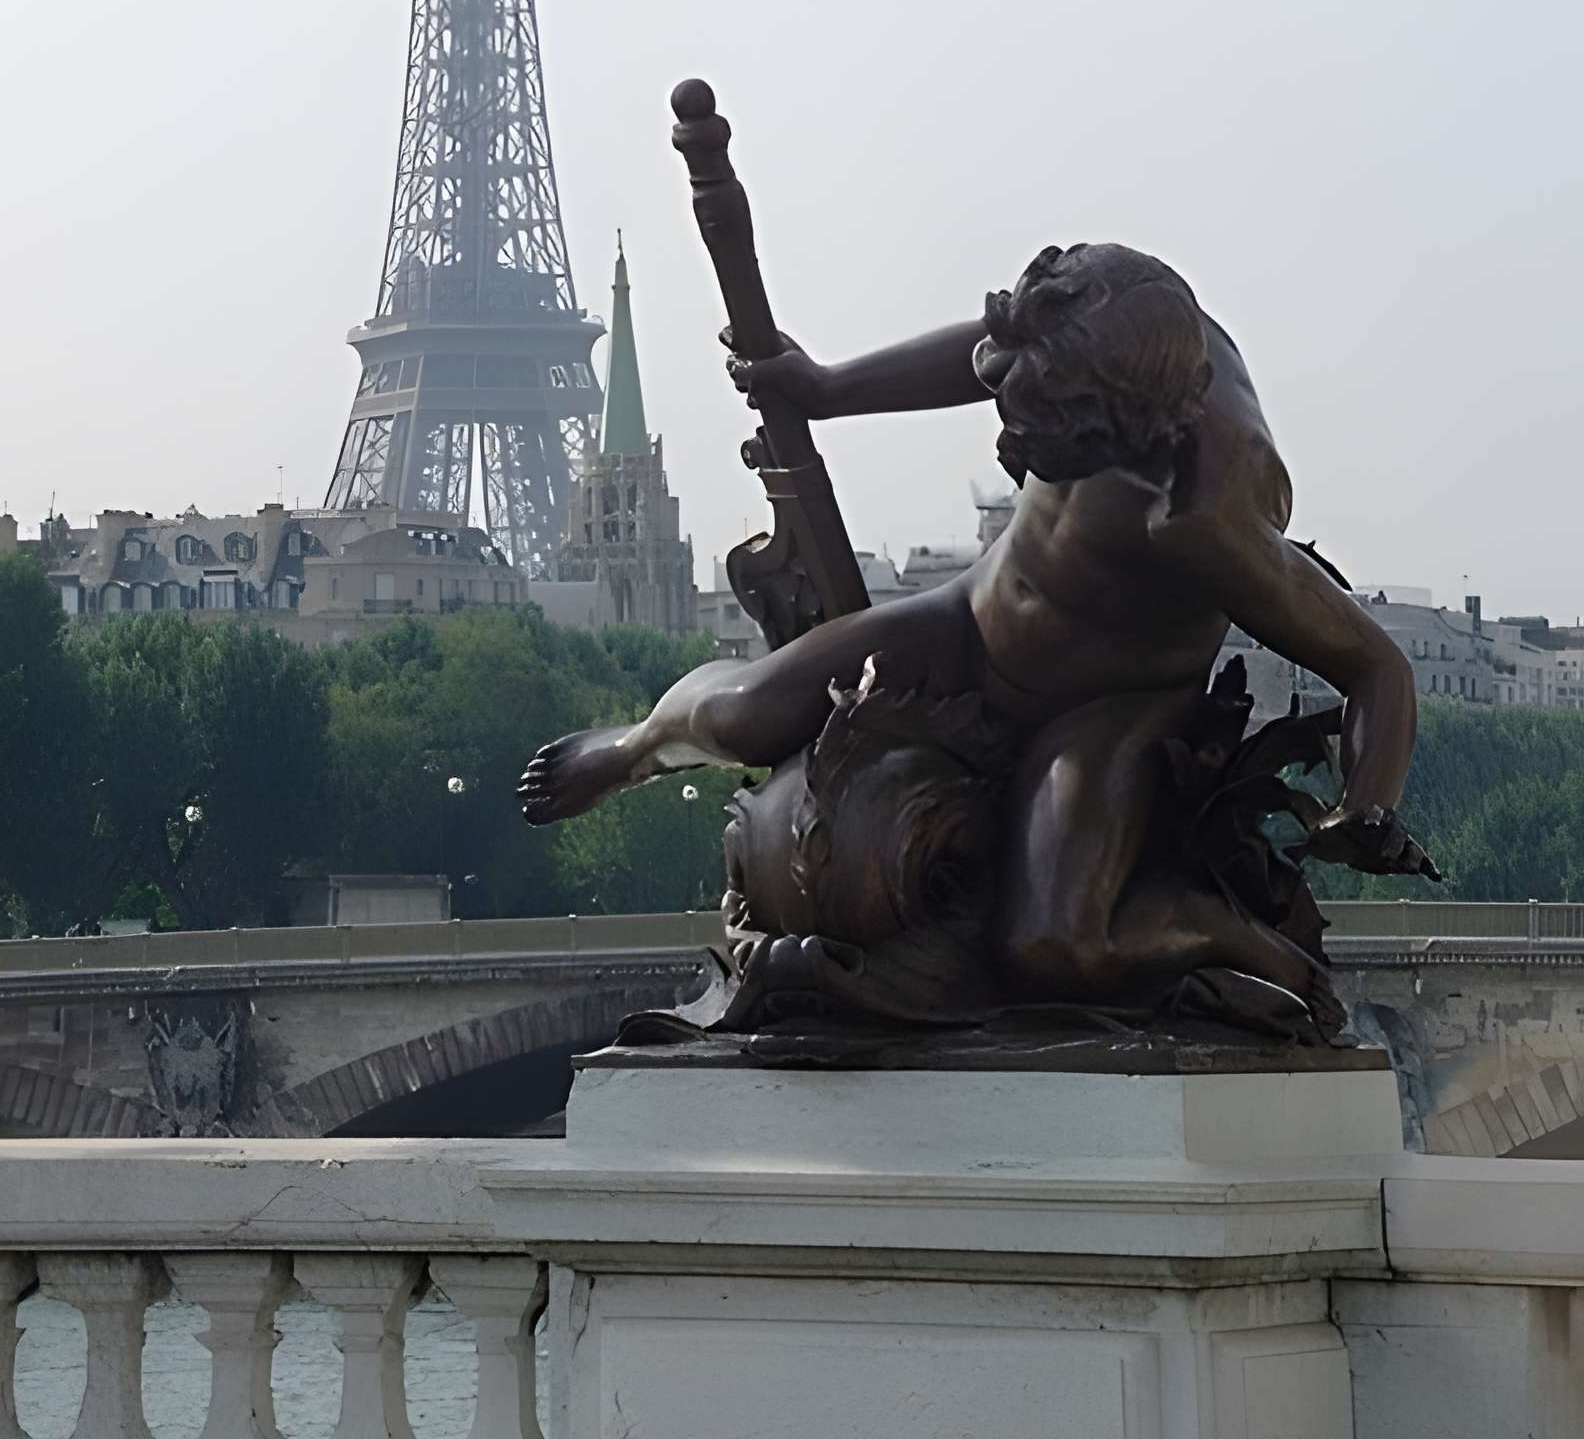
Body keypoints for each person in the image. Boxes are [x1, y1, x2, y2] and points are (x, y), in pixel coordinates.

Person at [521, 242, 1431, 1019]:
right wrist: (827, 387)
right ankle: (638, 745)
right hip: (965, 624)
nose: (1018, 459)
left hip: (1103, 711)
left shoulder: (1216, 514)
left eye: (1046, 449)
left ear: (1132, 431)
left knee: (1054, 945)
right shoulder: (1096, 320)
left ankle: (1220, 930)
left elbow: (1376, 666)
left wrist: (1368, 806)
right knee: (746, 712)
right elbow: (993, 349)